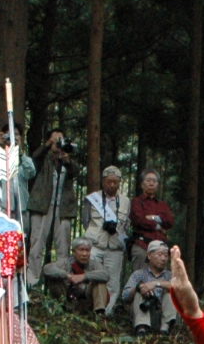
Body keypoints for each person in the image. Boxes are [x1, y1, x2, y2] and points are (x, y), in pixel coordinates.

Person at [24, 128, 76, 268]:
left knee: (63, 246)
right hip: (42, 206)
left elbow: (74, 172)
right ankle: (32, 280)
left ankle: (61, 279)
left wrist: (67, 160)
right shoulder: (43, 158)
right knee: (37, 244)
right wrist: (48, 145)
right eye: (55, 140)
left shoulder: (67, 159)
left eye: (61, 140)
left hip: (63, 208)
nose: (58, 144)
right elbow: (34, 157)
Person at [115, 240, 180, 334]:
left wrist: (157, 283)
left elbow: (180, 288)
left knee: (170, 293)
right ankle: (142, 328)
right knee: (140, 292)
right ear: (149, 255)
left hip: (163, 314)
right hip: (144, 312)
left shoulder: (170, 275)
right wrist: (139, 288)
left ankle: (165, 328)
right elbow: (125, 296)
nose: (163, 259)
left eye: (166, 256)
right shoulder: (138, 274)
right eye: (160, 255)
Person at [82, 165, 128, 299]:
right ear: (103, 182)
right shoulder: (92, 199)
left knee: (113, 283)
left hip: (115, 247)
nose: (112, 185)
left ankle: (107, 313)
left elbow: (127, 225)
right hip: (95, 245)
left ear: (119, 183)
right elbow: (86, 221)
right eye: (109, 181)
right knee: (91, 276)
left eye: (115, 182)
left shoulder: (126, 202)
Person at [42, 237, 110, 313]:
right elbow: (47, 269)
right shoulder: (65, 263)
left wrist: (84, 276)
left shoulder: (94, 264)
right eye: (81, 250)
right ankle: (60, 308)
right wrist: (67, 275)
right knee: (54, 279)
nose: (85, 254)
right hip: (67, 298)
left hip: (87, 301)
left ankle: (99, 312)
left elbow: (105, 275)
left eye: (87, 250)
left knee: (100, 282)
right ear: (74, 251)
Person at [128, 169, 175, 249]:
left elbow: (170, 221)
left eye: (154, 181)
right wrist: (159, 226)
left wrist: (154, 217)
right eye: (148, 180)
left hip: (160, 245)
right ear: (142, 184)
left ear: (158, 185)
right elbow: (139, 220)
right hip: (142, 244)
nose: (151, 183)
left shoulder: (162, 204)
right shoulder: (136, 202)